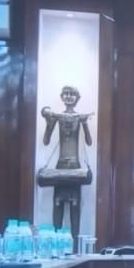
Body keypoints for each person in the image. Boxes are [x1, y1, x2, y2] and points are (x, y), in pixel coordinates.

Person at [38, 85, 94, 238]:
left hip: (75, 168)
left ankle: (75, 247)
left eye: (72, 94)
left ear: (77, 98)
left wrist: (85, 123)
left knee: (75, 212)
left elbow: (89, 142)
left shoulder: (79, 117)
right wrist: (49, 122)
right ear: (62, 97)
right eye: (66, 94)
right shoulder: (57, 117)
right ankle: (56, 245)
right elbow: (46, 141)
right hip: (60, 168)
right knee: (57, 208)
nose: (68, 96)